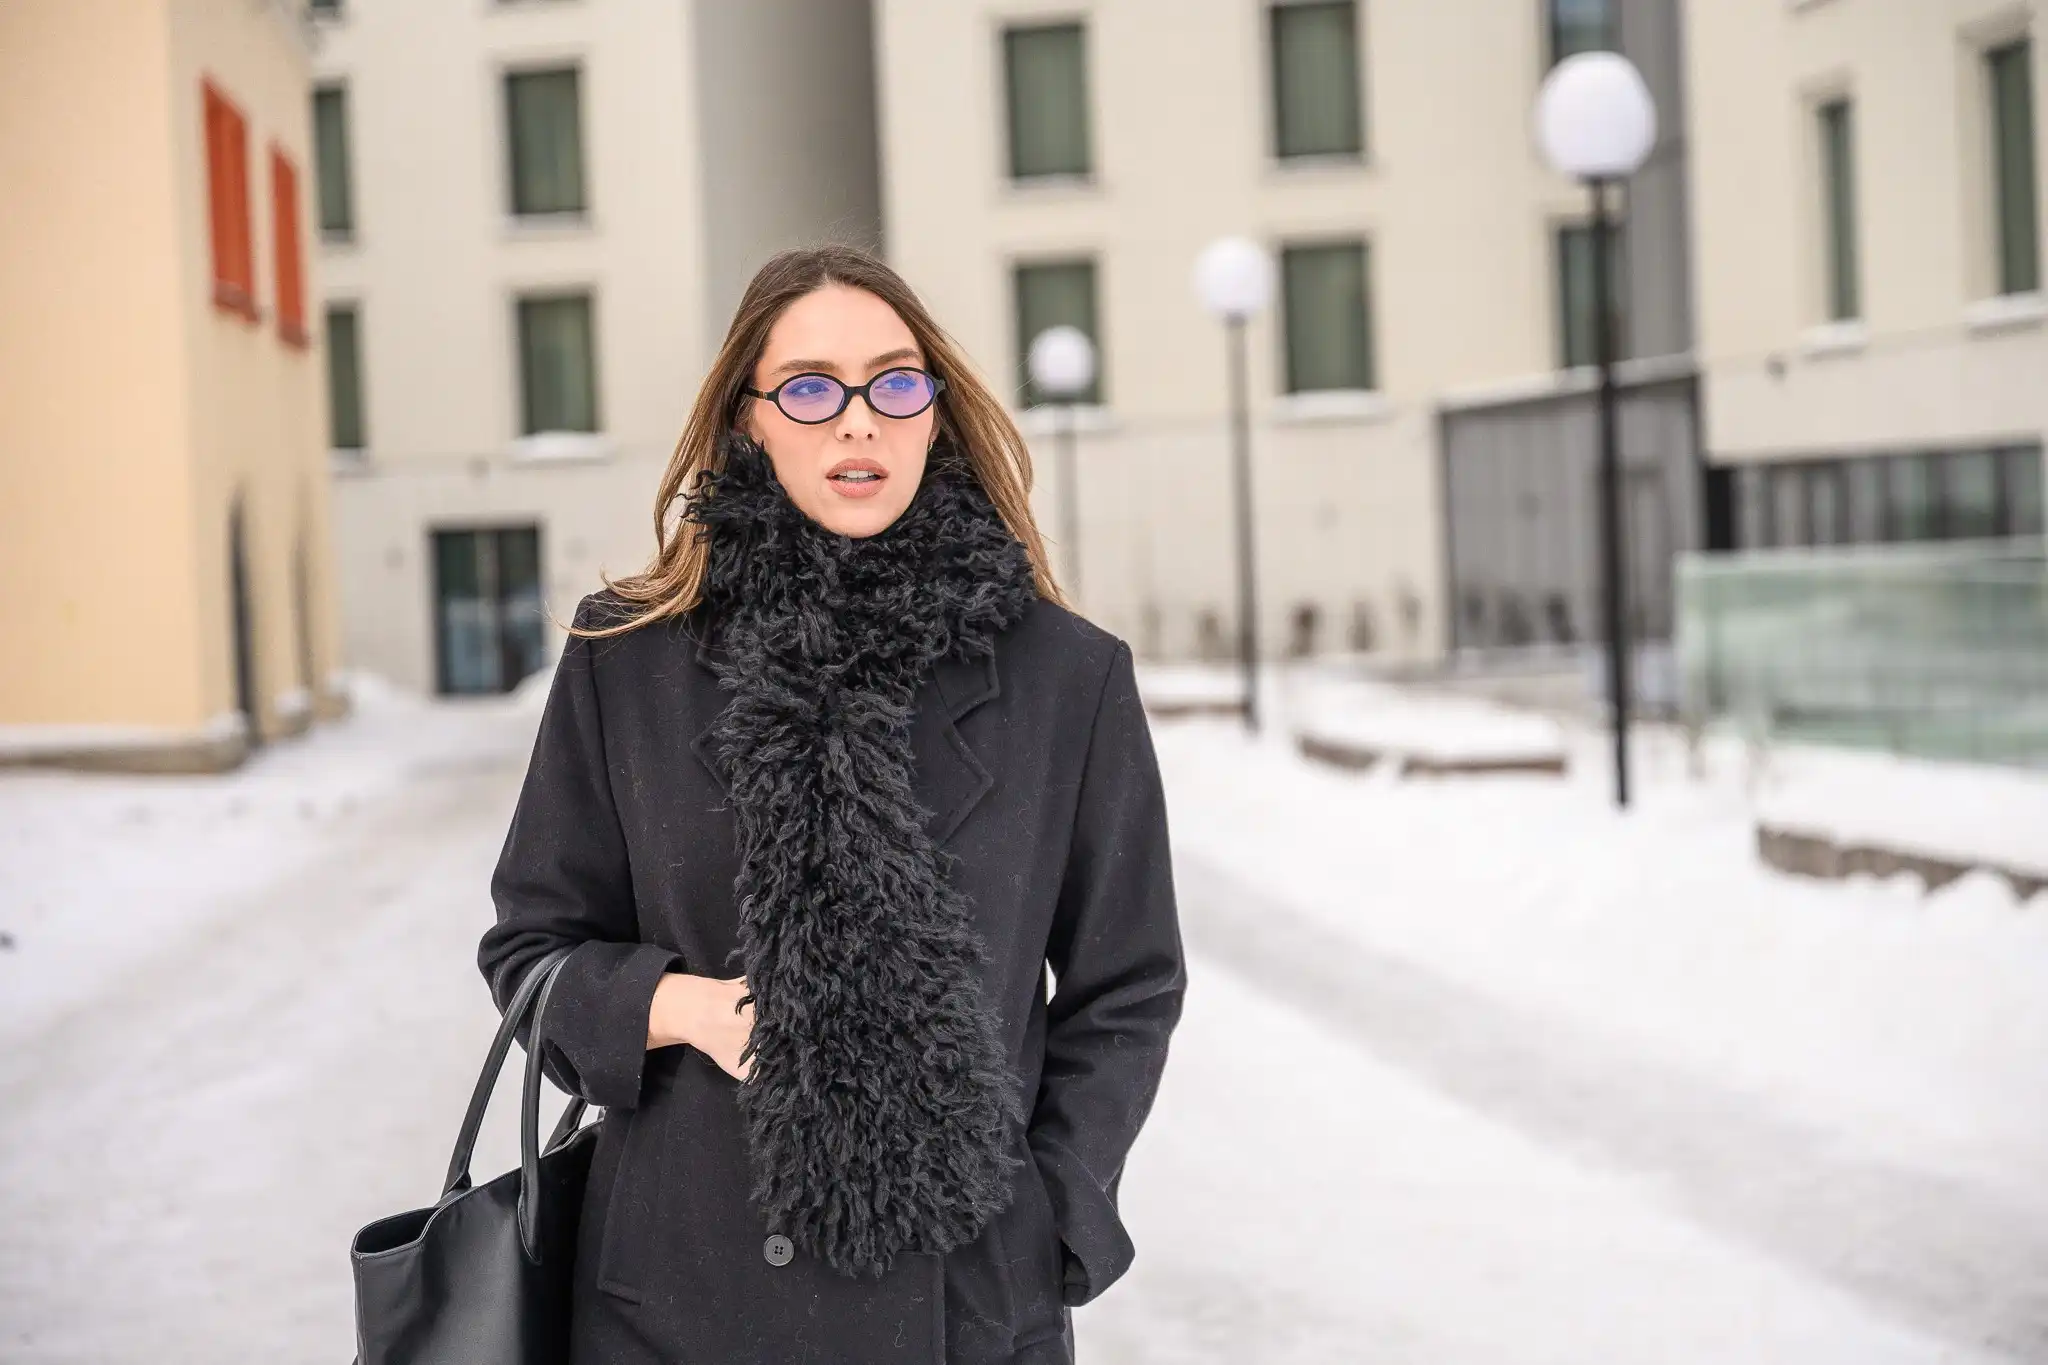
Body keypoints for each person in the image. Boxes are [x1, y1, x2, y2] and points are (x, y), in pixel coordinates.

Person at [478, 242, 1188, 1365]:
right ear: (749, 419)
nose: (859, 422)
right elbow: (531, 947)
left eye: (894, 384)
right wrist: (680, 1007)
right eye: (810, 389)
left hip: (962, 1306)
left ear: (934, 414)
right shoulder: (628, 658)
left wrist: (1053, 1211)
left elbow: (1128, 982)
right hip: (674, 1303)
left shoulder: (1066, 677)